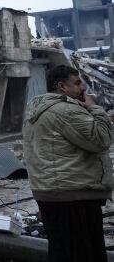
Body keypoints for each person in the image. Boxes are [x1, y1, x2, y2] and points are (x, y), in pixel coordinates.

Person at [23, 65, 114, 262]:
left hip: (50, 193)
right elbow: (102, 139)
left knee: (62, 252)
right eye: (77, 83)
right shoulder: (66, 110)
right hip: (72, 197)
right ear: (62, 87)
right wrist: (94, 108)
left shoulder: (38, 109)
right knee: (85, 254)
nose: (83, 88)